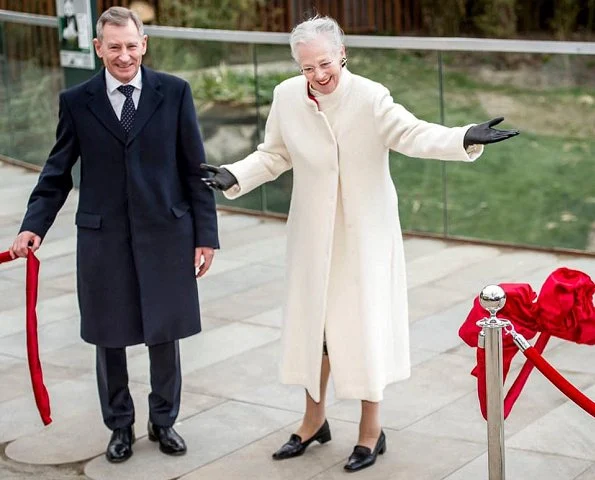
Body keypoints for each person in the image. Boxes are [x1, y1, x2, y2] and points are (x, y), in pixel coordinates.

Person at [201, 16, 518, 473]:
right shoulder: (287, 96)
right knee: (317, 331)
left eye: (324, 64)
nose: (317, 76)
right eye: (306, 67)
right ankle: (313, 422)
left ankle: (372, 430)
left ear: (342, 52)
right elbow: (275, 153)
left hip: (364, 234)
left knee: (363, 328)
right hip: (311, 233)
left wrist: (463, 137)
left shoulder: (370, 97)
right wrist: (236, 174)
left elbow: (411, 133)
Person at [9, 7, 219, 464]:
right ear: (98, 48)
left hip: (166, 232)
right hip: (103, 239)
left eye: (131, 45)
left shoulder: (175, 93)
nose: (124, 56)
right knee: (110, 336)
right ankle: (119, 425)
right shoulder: (78, 101)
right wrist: (32, 225)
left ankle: (164, 421)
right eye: (114, 47)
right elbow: (56, 172)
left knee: (165, 334)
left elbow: (195, 170)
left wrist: (206, 235)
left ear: (143, 44)